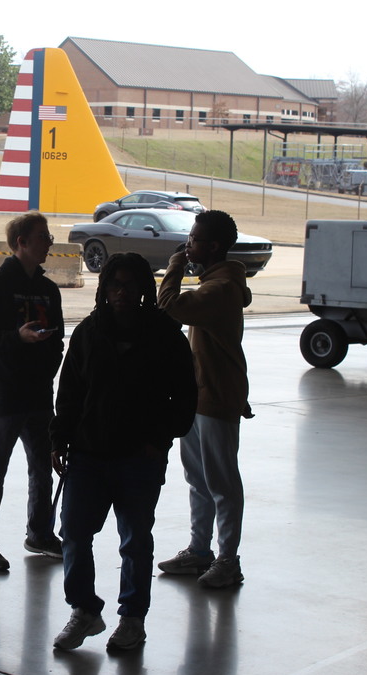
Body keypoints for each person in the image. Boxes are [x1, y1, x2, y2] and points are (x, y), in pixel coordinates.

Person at [50, 253, 197, 650]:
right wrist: (59, 439)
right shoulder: (89, 333)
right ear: (103, 288)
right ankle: (84, 610)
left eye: (130, 285)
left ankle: (132, 618)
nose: (121, 292)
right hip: (88, 454)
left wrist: (158, 440)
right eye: (114, 284)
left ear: (144, 290)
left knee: (134, 541)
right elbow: (70, 393)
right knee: (75, 535)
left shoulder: (166, 335)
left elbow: (184, 398)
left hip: (138, 458)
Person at [156, 209, 252, 589]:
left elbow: (169, 309)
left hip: (216, 397)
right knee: (198, 479)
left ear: (212, 247)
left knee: (222, 484)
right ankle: (200, 551)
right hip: (199, 395)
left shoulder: (220, 289)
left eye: (193, 240)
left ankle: (228, 560)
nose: (187, 244)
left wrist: (174, 266)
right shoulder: (217, 282)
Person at [0, 211, 65, 571]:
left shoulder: (48, 289)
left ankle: (39, 533)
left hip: (39, 394)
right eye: (43, 237)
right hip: (6, 395)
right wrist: (17, 338)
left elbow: (58, 341)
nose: (49, 243)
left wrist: (48, 370)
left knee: (42, 468)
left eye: (49, 237)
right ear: (21, 242)